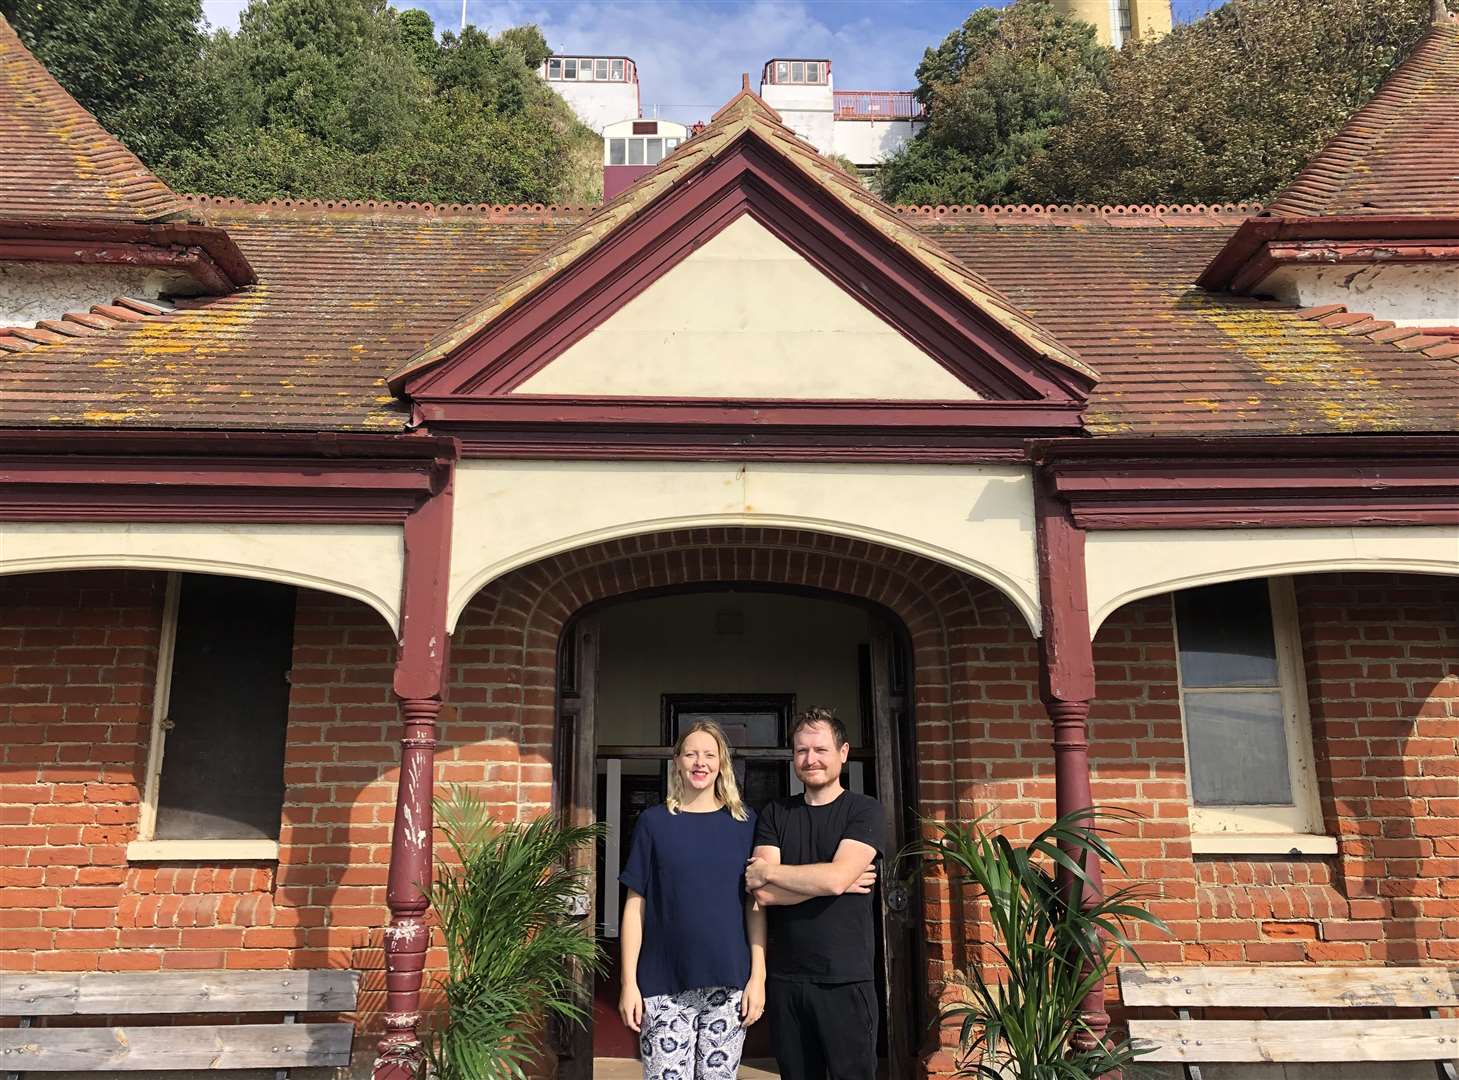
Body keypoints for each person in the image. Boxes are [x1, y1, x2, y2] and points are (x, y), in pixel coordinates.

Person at [619, 719, 767, 1080]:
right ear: (677, 762)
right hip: (662, 984)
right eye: (691, 754)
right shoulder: (653, 823)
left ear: (722, 763)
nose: (700, 762)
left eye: (709, 754)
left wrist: (758, 978)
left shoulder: (746, 822)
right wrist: (628, 983)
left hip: (729, 983)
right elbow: (635, 905)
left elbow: (756, 905)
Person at [745, 707, 884, 1080]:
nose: (811, 760)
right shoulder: (776, 812)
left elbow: (834, 878)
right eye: (802, 751)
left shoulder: (864, 810)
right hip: (788, 980)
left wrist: (774, 873)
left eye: (821, 750)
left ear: (843, 752)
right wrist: (829, 882)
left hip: (845, 979)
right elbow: (763, 895)